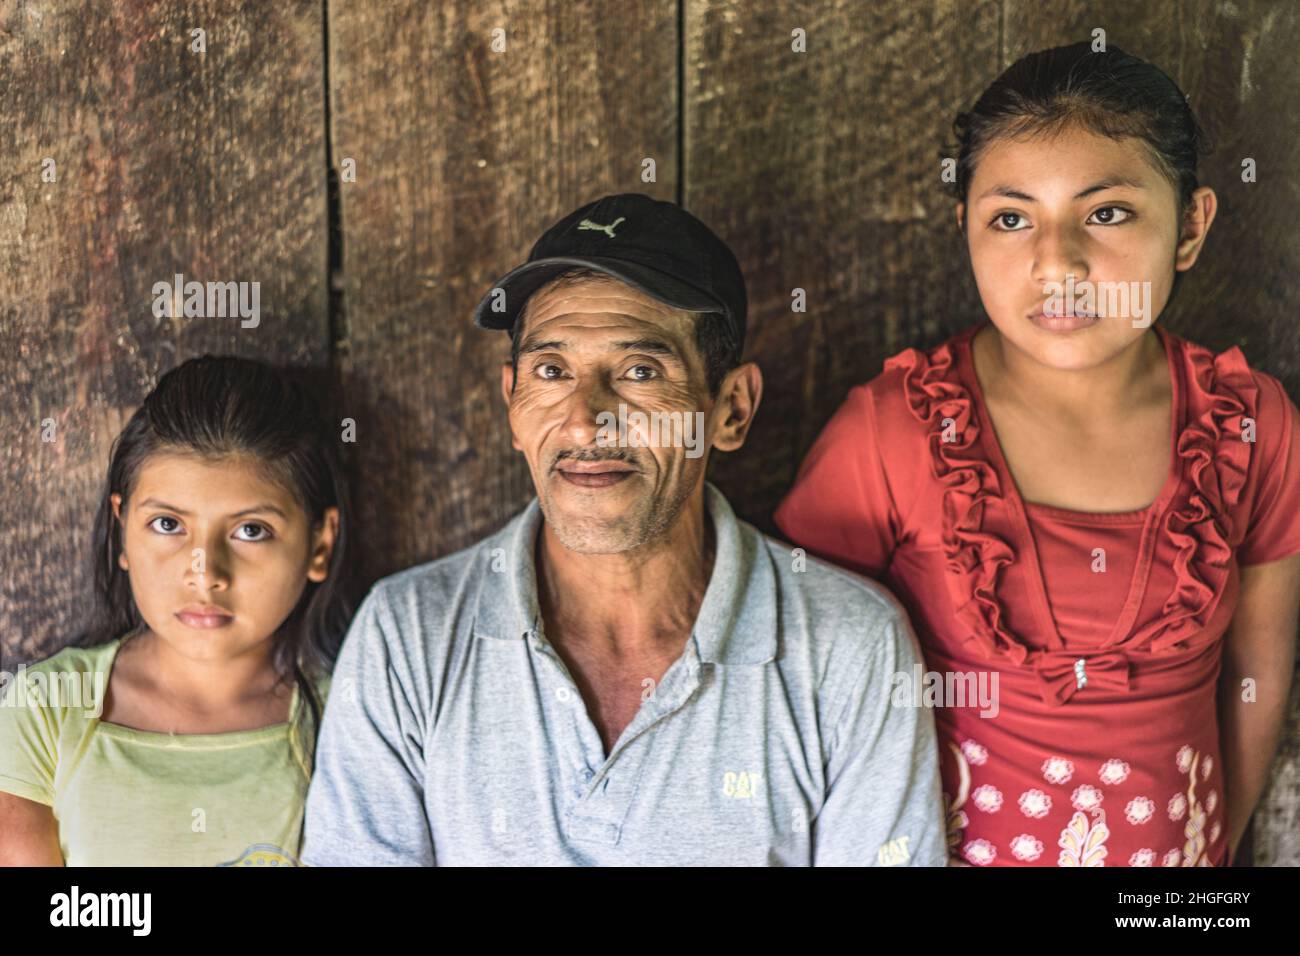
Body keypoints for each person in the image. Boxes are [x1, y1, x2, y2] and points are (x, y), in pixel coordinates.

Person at [301, 192, 948, 866]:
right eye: (551, 372)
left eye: (642, 371)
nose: (585, 422)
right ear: (512, 405)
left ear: (731, 409)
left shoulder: (848, 646)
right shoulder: (408, 637)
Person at [775, 42, 1300, 867]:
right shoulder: (891, 432)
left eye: (1107, 212)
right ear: (966, 232)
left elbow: (1259, 665)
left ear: (1191, 226)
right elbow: (800, 672)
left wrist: (1212, 854)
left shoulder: (1251, 427)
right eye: (1011, 218)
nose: (1057, 262)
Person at [0, 356, 354, 866]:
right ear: (124, 528)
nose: (204, 570)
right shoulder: (44, 710)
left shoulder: (353, 713)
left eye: (250, 530)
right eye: (168, 524)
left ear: (320, 544)